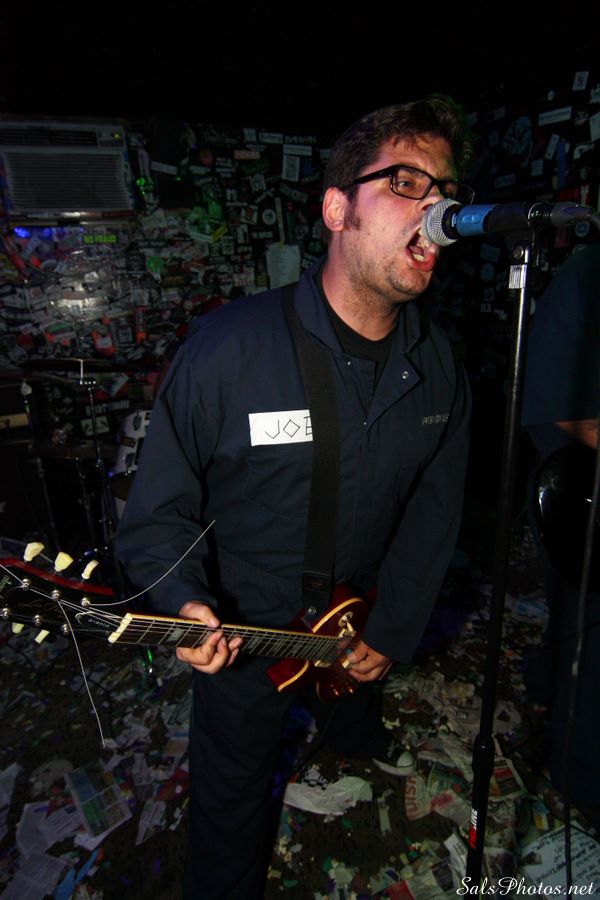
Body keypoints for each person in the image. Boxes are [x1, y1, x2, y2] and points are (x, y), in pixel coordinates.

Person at [117, 96, 473, 898]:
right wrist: (180, 600)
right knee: (231, 805)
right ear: (337, 209)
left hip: (358, 618)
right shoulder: (227, 351)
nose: (437, 209)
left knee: (355, 711)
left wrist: (393, 628)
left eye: (447, 191)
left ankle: (351, 731)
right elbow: (157, 512)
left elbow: (434, 512)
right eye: (407, 183)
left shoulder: (440, 367)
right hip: (246, 632)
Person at [522, 242, 600, 820]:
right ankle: (583, 780)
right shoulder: (585, 278)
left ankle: (545, 689)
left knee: (572, 626)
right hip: (575, 493)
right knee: (587, 633)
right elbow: (552, 403)